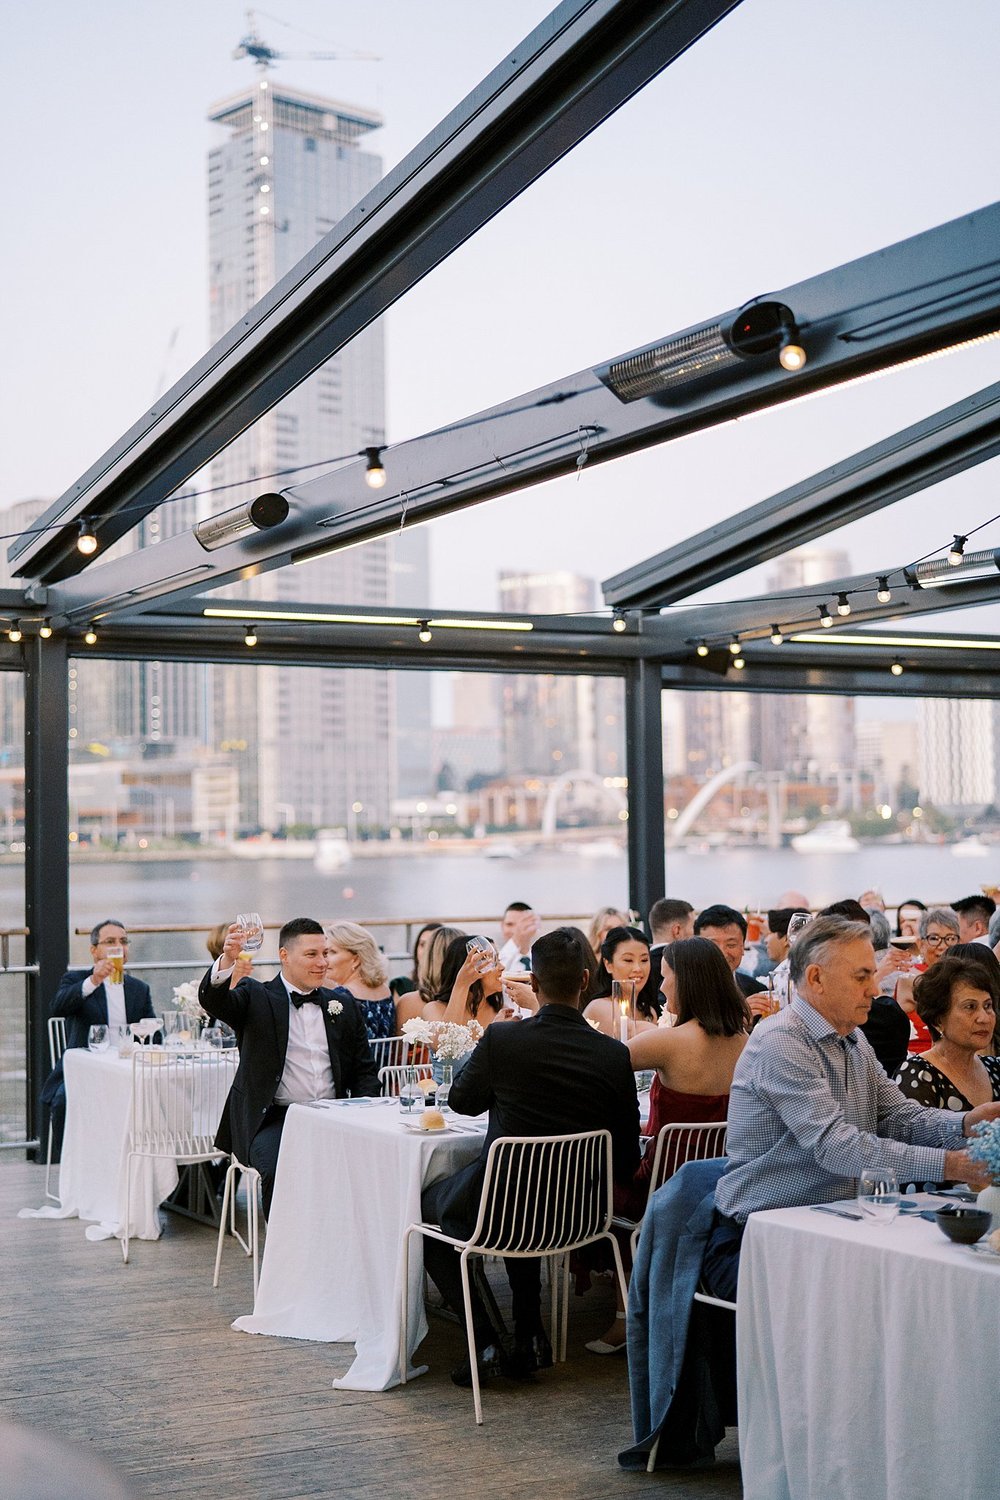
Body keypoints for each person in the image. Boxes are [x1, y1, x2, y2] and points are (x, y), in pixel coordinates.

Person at [704, 916, 1000, 1304]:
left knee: (921, 1288)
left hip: (831, 1224)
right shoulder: (782, 1042)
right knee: (893, 1295)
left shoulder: (852, 1038)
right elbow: (837, 1146)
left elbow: (899, 1117)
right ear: (816, 979)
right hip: (760, 1236)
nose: (875, 988)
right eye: (862, 977)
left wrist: (965, 1122)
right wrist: (951, 1165)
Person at [420, 926, 640, 1386]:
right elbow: (624, 1156)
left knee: (426, 1212)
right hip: (580, 1215)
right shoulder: (614, 1054)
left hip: (506, 1208)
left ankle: (485, 1340)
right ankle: (531, 1330)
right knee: (517, 1191)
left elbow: (460, 1101)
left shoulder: (505, 1041)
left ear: (534, 985)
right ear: (586, 980)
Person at [585, 938, 749, 1354]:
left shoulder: (668, 1043)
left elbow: (599, 1066)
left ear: (687, 983)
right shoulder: (746, 1042)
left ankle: (626, 1313)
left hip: (663, 1188)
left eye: (667, 977)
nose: (661, 988)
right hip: (723, 1180)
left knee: (595, 1188)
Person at [198, 916, 379, 1216]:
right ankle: (285, 1256)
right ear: (284, 955)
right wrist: (228, 958)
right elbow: (214, 1001)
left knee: (369, 1162)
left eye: (324, 953)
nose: (322, 962)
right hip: (275, 1119)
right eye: (311, 955)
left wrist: (366, 1117)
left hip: (336, 1117)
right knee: (280, 1168)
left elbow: (364, 1073)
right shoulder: (257, 997)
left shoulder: (343, 1005)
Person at [41, 920, 156, 1158]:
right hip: (87, 1070)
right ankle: (70, 1166)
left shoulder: (138, 988)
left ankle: (154, 1165)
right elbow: (57, 1008)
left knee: (162, 1095)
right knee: (63, 1099)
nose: (118, 948)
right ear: (94, 950)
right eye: (110, 942)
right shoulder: (76, 980)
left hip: (129, 1069)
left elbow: (154, 1033)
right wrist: (93, 981)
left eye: (123, 942)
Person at [894, 957, 1000, 1110]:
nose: (984, 1018)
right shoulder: (918, 1075)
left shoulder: (995, 1068)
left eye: (988, 1006)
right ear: (938, 1020)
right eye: (970, 1007)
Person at [325, 920, 423, 1035]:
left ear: (356, 959)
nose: (324, 960)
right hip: (384, 1053)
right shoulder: (385, 990)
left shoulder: (341, 995)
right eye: (324, 953)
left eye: (332, 952)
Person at [893, 906, 960, 1054]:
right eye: (934, 938)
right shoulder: (909, 977)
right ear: (921, 944)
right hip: (917, 1057)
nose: (942, 946)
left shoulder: (962, 975)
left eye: (950, 939)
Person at [584, 926, 659, 1035]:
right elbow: (628, 1030)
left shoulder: (649, 1012)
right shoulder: (598, 1007)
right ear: (608, 964)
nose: (637, 968)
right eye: (628, 960)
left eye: (644, 960)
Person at [693, 904, 766, 1008]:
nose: (722, 953)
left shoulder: (757, 991)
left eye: (731, 945)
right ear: (695, 947)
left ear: (742, 947)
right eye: (713, 945)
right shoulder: (680, 989)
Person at [390, 922, 441, 999]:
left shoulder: (453, 988)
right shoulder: (402, 985)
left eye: (432, 946)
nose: (426, 951)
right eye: (422, 945)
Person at [496, 901, 539, 973]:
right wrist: (517, 940)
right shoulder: (495, 961)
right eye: (509, 924)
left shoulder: (544, 960)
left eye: (523, 926)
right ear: (502, 926)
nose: (515, 931)